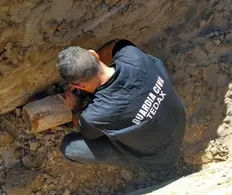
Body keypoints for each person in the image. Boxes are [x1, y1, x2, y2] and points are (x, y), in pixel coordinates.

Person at [56, 39, 186, 171]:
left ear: (77, 86)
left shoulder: (95, 115)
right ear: (94, 54)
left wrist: (76, 106)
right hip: (178, 125)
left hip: (156, 158)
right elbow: (114, 45)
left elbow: (82, 127)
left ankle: (146, 165)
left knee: (69, 148)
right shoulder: (131, 53)